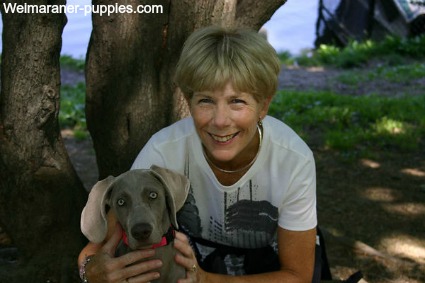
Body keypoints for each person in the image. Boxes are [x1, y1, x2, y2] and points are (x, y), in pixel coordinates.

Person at [78, 25, 319, 283]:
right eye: (206, 100)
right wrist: (90, 271)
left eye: (237, 101)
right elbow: (97, 249)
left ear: (263, 105)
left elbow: (297, 275)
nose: (220, 121)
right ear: (188, 101)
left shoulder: (292, 159)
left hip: (266, 269)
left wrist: (206, 280)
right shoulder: (163, 152)